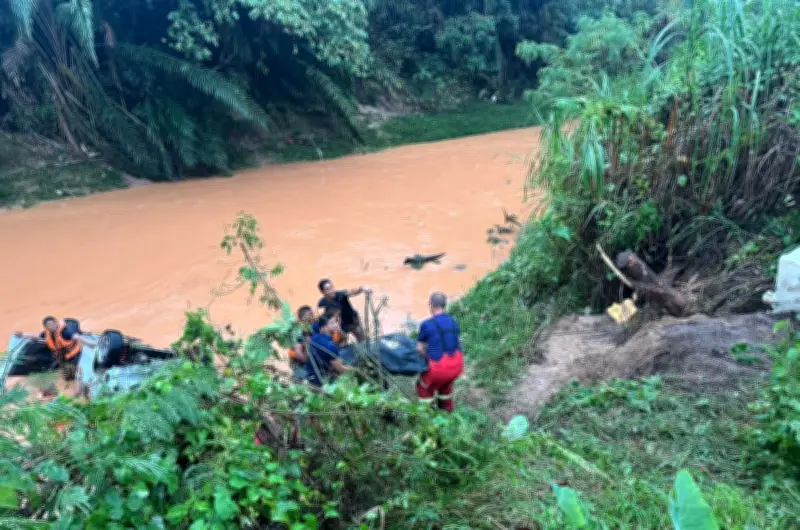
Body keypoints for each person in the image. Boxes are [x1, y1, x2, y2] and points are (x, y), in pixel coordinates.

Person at [416, 292, 464, 413]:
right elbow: (459, 343)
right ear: (445, 305)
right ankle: (447, 412)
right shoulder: (453, 322)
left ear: (431, 305)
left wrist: (427, 358)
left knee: (423, 386)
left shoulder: (426, 324)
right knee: (445, 386)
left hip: (439, 368)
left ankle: (428, 415)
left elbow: (419, 349)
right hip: (457, 365)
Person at [14, 316, 96, 382]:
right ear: (46, 327)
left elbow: (77, 337)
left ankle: (81, 382)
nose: (51, 326)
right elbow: (37, 335)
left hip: (75, 354)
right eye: (48, 325)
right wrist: (22, 335)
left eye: (52, 324)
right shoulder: (47, 333)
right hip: (63, 357)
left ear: (56, 322)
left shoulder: (65, 331)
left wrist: (90, 344)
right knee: (68, 378)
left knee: (79, 372)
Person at [305, 313, 352, 387]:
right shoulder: (330, 346)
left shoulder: (315, 336)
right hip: (321, 380)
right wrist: (356, 371)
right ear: (323, 328)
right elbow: (340, 368)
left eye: (336, 322)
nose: (336, 325)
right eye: (332, 323)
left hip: (310, 375)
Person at [290, 306, 316, 379]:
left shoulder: (311, 329)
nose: (312, 316)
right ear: (302, 318)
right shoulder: (298, 332)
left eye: (312, 314)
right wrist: (307, 361)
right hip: (302, 368)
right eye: (310, 315)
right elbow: (298, 354)